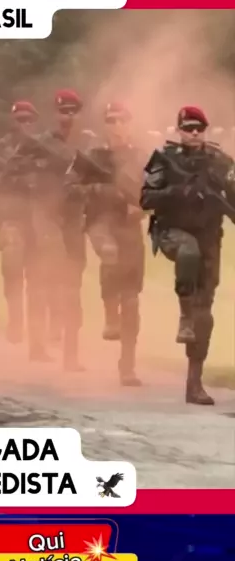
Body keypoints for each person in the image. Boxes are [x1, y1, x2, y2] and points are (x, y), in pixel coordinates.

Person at [140, 105, 235, 405]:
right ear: (179, 130)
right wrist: (178, 192)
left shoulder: (221, 162)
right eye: (189, 128)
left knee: (204, 314)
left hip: (209, 240)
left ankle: (194, 383)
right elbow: (146, 198)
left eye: (199, 128)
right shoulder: (164, 159)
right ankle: (184, 314)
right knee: (187, 251)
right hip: (172, 233)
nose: (194, 133)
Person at [66, 103, 145, 385]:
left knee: (132, 301)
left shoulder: (142, 157)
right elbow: (70, 187)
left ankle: (128, 365)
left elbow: (158, 190)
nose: (117, 125)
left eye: (122, 120)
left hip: (129, 227)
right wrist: (100, 190)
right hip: (100, 222)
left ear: (130, 123)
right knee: (109, 253)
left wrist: (143, 208)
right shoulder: (92, 156)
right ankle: (110, 316)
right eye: (111, 120)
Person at [37, 88, 86, 368]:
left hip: (75, 220)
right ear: (55, 114)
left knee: (73, 286)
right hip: (47, 218)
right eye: (63, 111)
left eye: (72, 111)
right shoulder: (41, 143)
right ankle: (41, 340)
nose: (67, 117)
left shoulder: (88, 144)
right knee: (49, 278)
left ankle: (71, 354)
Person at [0, 100, 39, 343]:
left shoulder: (44, 147)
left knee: (41, 274)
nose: (24, 124)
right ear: (13, 121)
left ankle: (40, 329)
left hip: (38, 216)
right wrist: (8, 178)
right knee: (12, 267)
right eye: (20, 120)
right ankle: (15, 319)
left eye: (29, 119)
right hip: (11, 218)